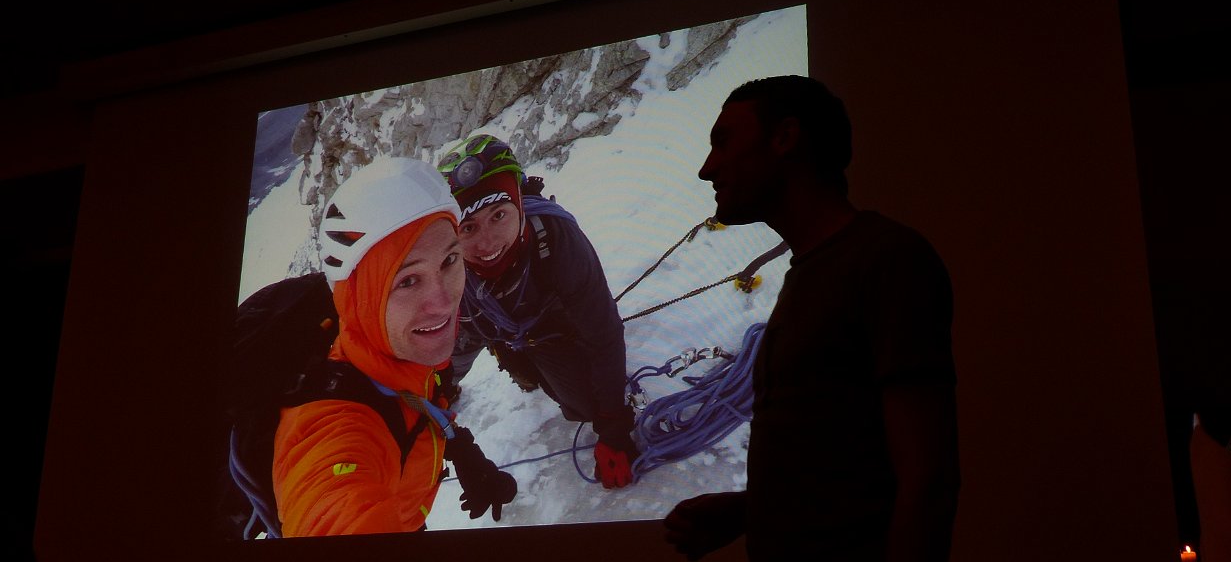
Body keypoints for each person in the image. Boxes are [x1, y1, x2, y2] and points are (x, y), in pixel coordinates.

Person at [662, 75, 960, 561]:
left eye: (723, 142)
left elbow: (928, 478)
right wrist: (748, 512)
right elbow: (845, 466)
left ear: (784, 139)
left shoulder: (885, 259)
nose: (706, 168)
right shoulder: (812, 271)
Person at [271, 156, 516, 536]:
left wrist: (462, 451)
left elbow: (414, 404)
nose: (443, 301)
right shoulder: (335, 428)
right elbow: (331, 507)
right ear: (360, 298)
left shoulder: (396, 354)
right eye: (406, 281)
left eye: (450, 260)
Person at [435, 133, 640, 489]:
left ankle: (540, 362)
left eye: (499, 214)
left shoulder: (556, 237)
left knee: (585, 407)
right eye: (467, 227)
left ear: (518, 201)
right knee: (514, 358)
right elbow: (463, 336)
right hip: (503, 333)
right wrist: (440, 387)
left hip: (553, 328)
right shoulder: (451, 274)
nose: (487, 244)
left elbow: (603, 334)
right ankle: (521, 363)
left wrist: (613, 428)